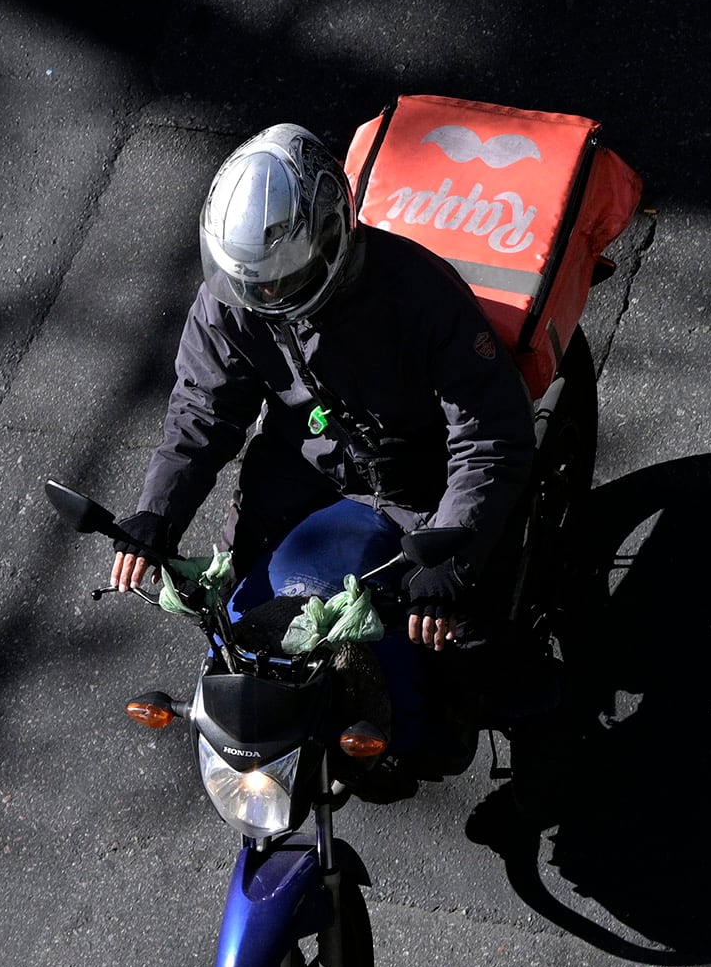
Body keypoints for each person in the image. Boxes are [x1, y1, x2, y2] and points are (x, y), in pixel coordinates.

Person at [108, 123, 536, 772]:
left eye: (284, 280)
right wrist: (156, 514)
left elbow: (490, 437)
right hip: (299, 467)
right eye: (256, 286)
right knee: (238, 606)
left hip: (420, 478)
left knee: (457, 631)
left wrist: (455, 552)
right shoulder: (236, 292)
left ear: (333, 235)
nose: (268, 299)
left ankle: (514, 702)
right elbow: (203, 409)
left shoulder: (418, 296)